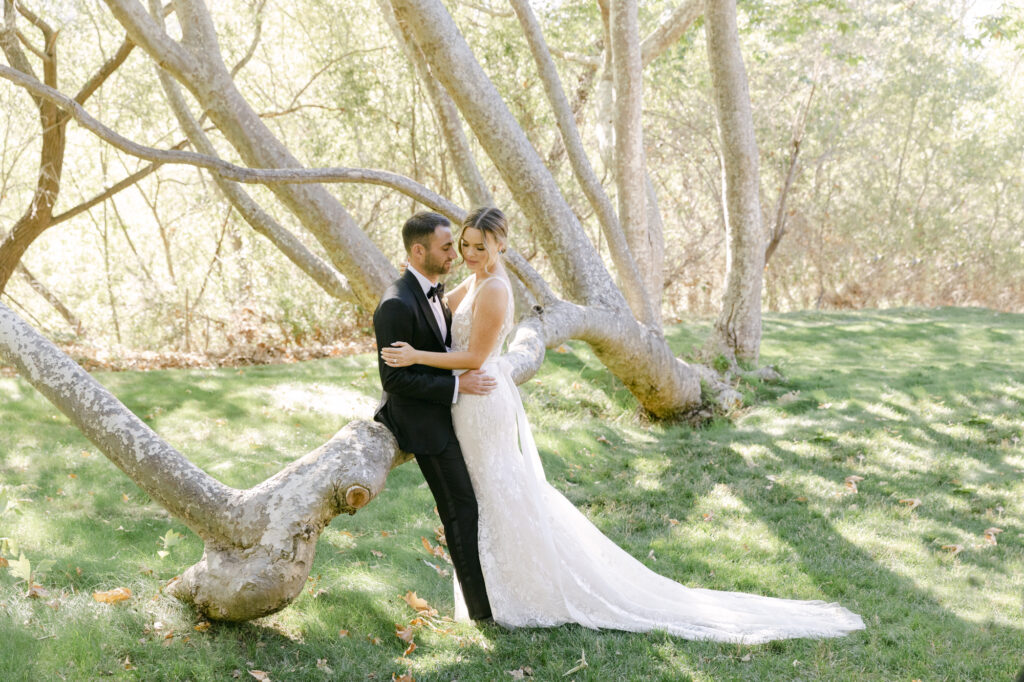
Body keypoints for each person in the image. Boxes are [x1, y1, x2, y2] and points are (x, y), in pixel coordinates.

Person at [382, 207, 865, 643]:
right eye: (463, 244)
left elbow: (477, 355)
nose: (468, 253)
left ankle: (528, 591)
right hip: (467, 400)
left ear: (501, 246)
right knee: (488, 494)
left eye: (478, 246)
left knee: (498, 489)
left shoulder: (495, 288)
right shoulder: (474, 280)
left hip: (480, 397)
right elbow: (440, 310)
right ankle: (496, 592)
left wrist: (415, 355)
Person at [372, 211, 495, 622]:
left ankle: (490, 597)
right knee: (460, 509)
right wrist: (457, 387)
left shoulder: (433, 289)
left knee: (473, 504)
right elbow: (395, 379)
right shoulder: (395, 303)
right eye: (447, 247)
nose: (455, 255)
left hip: (450, 415)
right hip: (422, 423)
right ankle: (481, 613)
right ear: (418, 250)